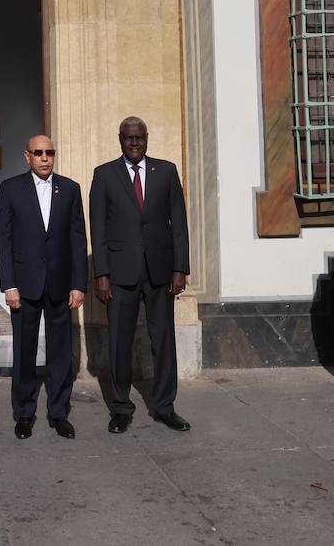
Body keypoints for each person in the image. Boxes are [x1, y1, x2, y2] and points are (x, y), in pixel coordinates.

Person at [90, 116, 191, 433]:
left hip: (160, 271)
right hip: (120, 273)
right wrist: (101, 273)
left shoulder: (167, 171)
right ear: (120, 139)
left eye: (139, 138)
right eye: (128, 138)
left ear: (147, 138)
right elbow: (99, 229)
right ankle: (121, 407)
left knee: (163, 340)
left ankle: (164, 406)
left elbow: (179, 224)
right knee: (120, 341)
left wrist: (180, 268)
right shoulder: (104, 175)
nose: (134, 143)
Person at [0, 135, 86, 439]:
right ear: (27, 156)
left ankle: (59, 413)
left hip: (61, 284)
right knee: (25, 351)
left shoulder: (70, 189)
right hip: (24, 285)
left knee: (61, 353)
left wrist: (78, 284)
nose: (45, 158)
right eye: (39, 153)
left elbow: (77, 238)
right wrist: (8, 284)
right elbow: (3, 241)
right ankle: (23, 413)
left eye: (49, 152)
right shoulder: (10, 189)